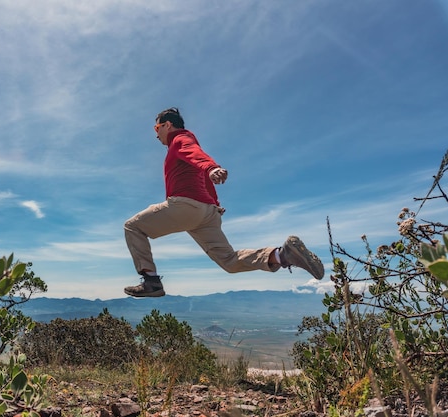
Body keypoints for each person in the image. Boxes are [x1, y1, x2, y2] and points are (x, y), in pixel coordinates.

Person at [123, 107, 324, 298]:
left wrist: (211, 167)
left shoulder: (180, 139)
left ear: (167, 125)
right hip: (206, 213)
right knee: (229, 262)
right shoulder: (183, 143)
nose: (156, 135)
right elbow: (201, 175)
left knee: (132, 227)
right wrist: (215, 203)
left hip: (186, 207)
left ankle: (151, 281)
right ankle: (283, 255)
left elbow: (194, 154)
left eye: (156, 128)